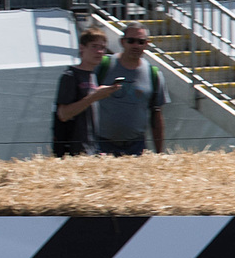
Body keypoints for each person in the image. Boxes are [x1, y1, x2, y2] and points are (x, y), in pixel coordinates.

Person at [96, 25, 168, 156]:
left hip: (136, 147)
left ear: (146, 44)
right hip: (101, 145)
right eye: (131, 41)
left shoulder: (154, 74)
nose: (136, 45)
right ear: (122, 42)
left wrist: (159, 154)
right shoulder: (103, 66)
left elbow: (156, 116)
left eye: (140, 42)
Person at [52, 29, 116, 158]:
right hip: (73, 152)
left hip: (91, 150)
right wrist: (94, 97)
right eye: (94, 47)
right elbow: (63, 114)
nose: (99, 52)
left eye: (102, 48)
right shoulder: (70, 76)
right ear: (82, 48)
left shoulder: (93, 75)